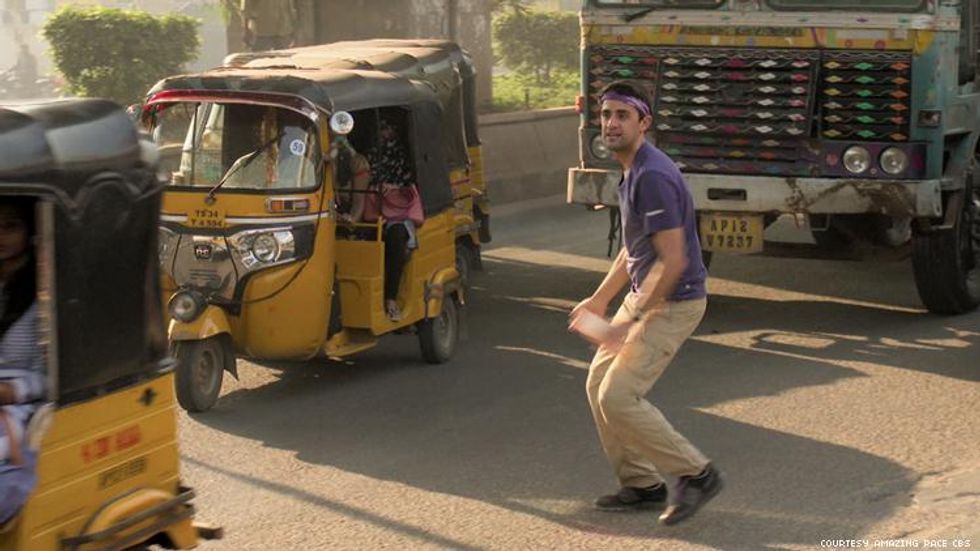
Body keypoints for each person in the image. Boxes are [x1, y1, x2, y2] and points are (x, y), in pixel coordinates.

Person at [568, 81, 722, 526]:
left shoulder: (652, 175)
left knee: (619, 395)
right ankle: (641, 484)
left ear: (644, 123)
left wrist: (627, 322)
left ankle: (697, 475)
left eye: (622, 115)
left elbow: (672, 260)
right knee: (598, 387)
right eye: (605, 115)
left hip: (673, 302)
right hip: (646, 294)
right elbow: (635, 249)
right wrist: (599, 301)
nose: (611, 123)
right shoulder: (633, 169)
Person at [0, 197, 44, 524]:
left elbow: (53, 375)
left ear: (28, 231)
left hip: (18, 404)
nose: (1, 236)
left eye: (10, 226)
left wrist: (13, 390)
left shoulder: (45, 294)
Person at [366, 117, 418, 322]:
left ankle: (391, 299)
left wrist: (393, 187)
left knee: (396, 243)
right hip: (372, 210)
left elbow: (410, 183)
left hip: (399, 214)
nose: (383, 133)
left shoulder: (404, 154)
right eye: (381, 129)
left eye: (386, 129)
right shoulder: (369, 154)